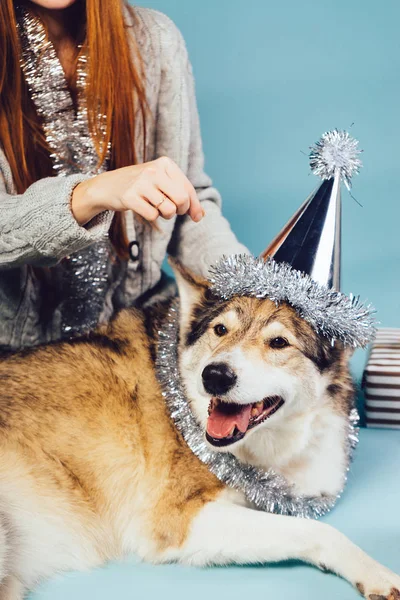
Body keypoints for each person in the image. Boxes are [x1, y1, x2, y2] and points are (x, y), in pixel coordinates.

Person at [0, 0, 248, 351]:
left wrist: (253, 287)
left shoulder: (155, 41)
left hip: (136, 337)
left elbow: (190, 204)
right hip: (15, 361)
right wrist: (90, 194)